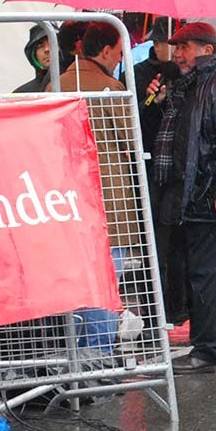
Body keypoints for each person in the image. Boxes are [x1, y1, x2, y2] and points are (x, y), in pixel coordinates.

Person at [150, 22, 216, 374]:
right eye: (177, 47)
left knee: (210, 275)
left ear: (207, 50)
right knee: (207, 274)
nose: (177, 54)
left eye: (185, 47)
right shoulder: (193, 84)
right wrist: (159, 101)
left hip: (212, 197)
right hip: (196, 196)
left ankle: (211, 350)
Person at [59, 22, 139, 349]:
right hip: (111, 203)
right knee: (107, 283)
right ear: (105, 51)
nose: (120, 60)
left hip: (66, 197)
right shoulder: (110, 87)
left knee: (77, 284)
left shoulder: (57, 83)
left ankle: (78, 358)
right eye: (120, 53)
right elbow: (131, 142)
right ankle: (101, 354)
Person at [133, 18, 180, 184]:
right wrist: (152, 101)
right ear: (157, 45)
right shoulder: (136, 74)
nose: (178, 51)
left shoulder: (187, 72)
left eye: (182, 45)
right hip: (149, 155)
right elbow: (134, 117)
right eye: (173, 44)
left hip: (178, 158)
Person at [13, 24, 53, 93]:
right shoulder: (22, 94)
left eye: (52, 43)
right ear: (34, 55)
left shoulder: (76, 83)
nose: (47, 49)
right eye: (40, 46)